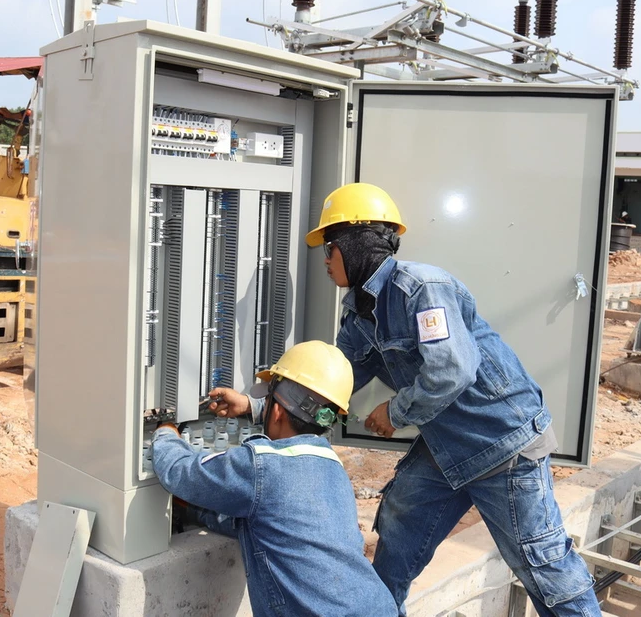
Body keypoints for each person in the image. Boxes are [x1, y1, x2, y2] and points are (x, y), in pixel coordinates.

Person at [304, 182, 599, 617]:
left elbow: (451, 371)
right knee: (398, 530)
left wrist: (395, 411)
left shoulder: (421, 289)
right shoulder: (359, 314)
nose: (325, 260)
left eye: (329, 247)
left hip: (503, 442)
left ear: (357, 243)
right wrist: (260, 408)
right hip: (449, 446)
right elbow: (333, 381)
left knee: (541, 562)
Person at [152, 340, 398, 617]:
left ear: (277, 411)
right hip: (378, 606)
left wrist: (166, 432)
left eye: (267, 400)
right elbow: (267, 527)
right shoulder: (331, 467)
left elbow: (179, 471)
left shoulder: (261, 465)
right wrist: (193, 510)